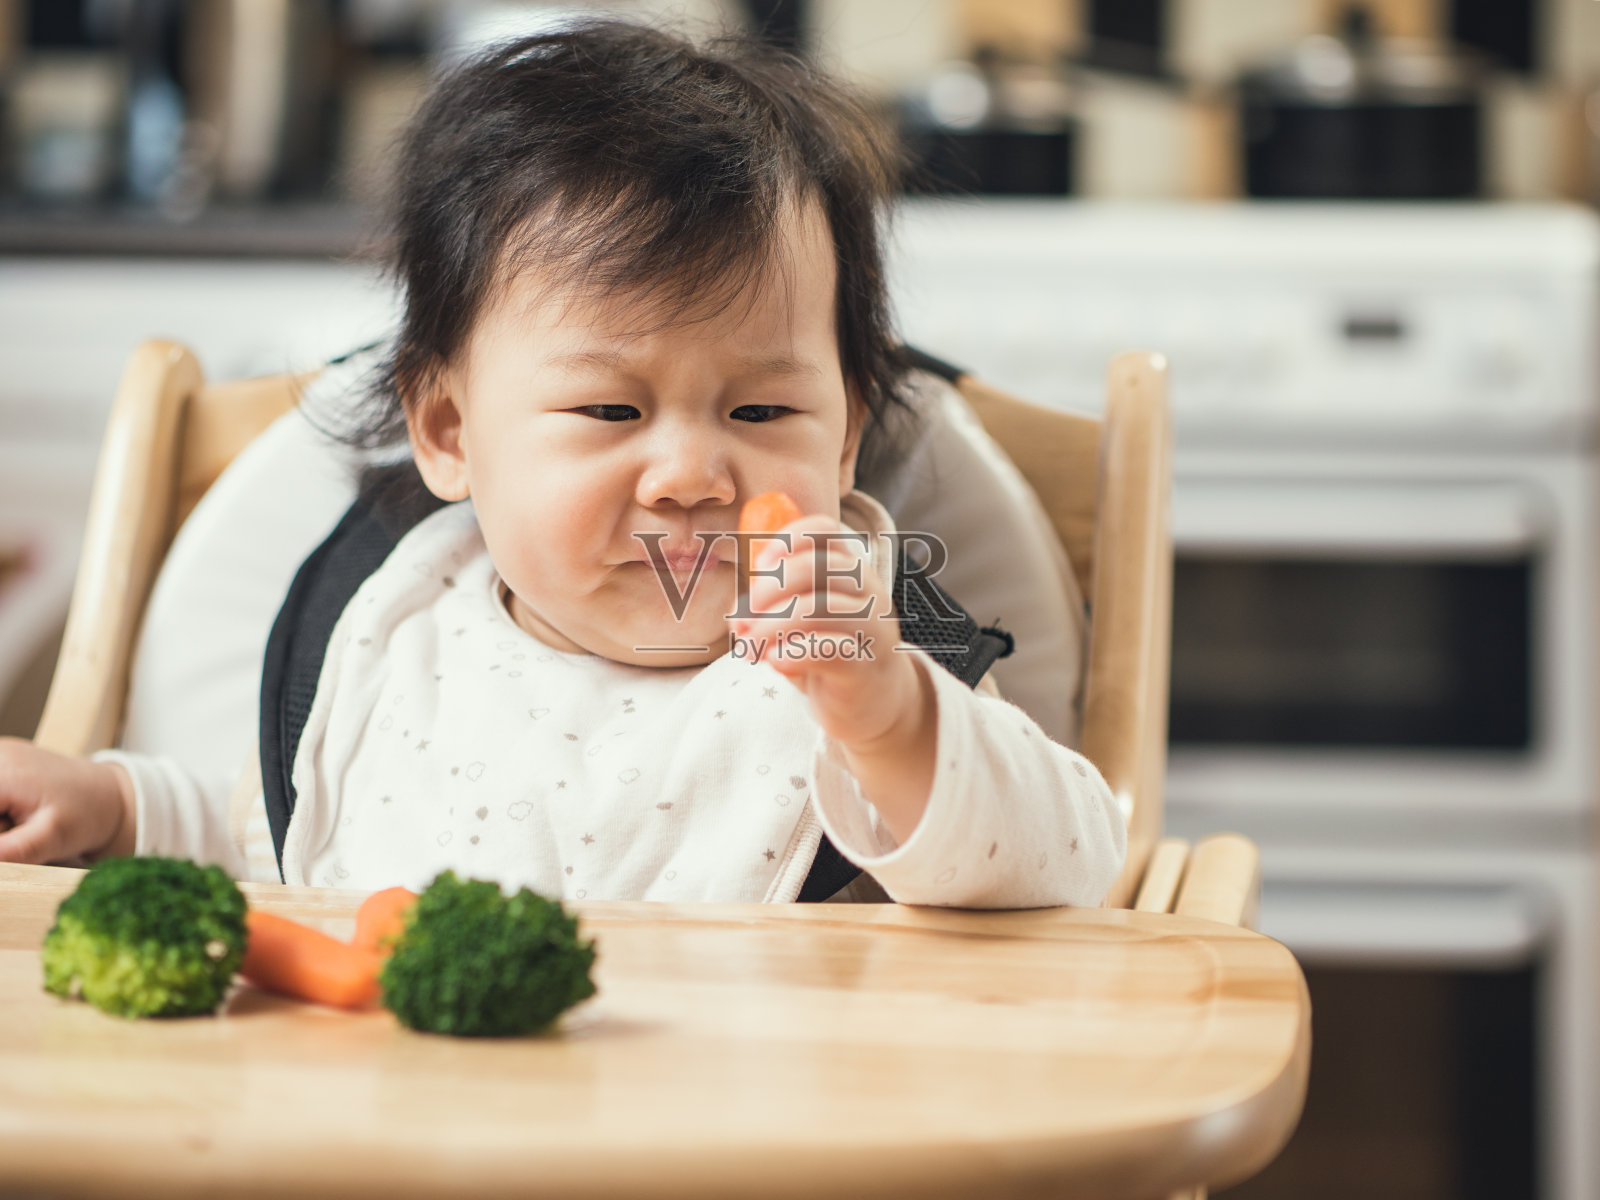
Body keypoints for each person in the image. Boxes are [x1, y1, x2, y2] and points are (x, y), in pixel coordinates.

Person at [0, 20, 1124, 907]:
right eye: (606, 407)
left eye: (765, 405)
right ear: (447, 435)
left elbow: (1069, 860)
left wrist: (889, 718)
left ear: (844, 433)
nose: (689, 472)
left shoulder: (868, 637)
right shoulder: (400, 624)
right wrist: (112, 804)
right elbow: (284, 828)